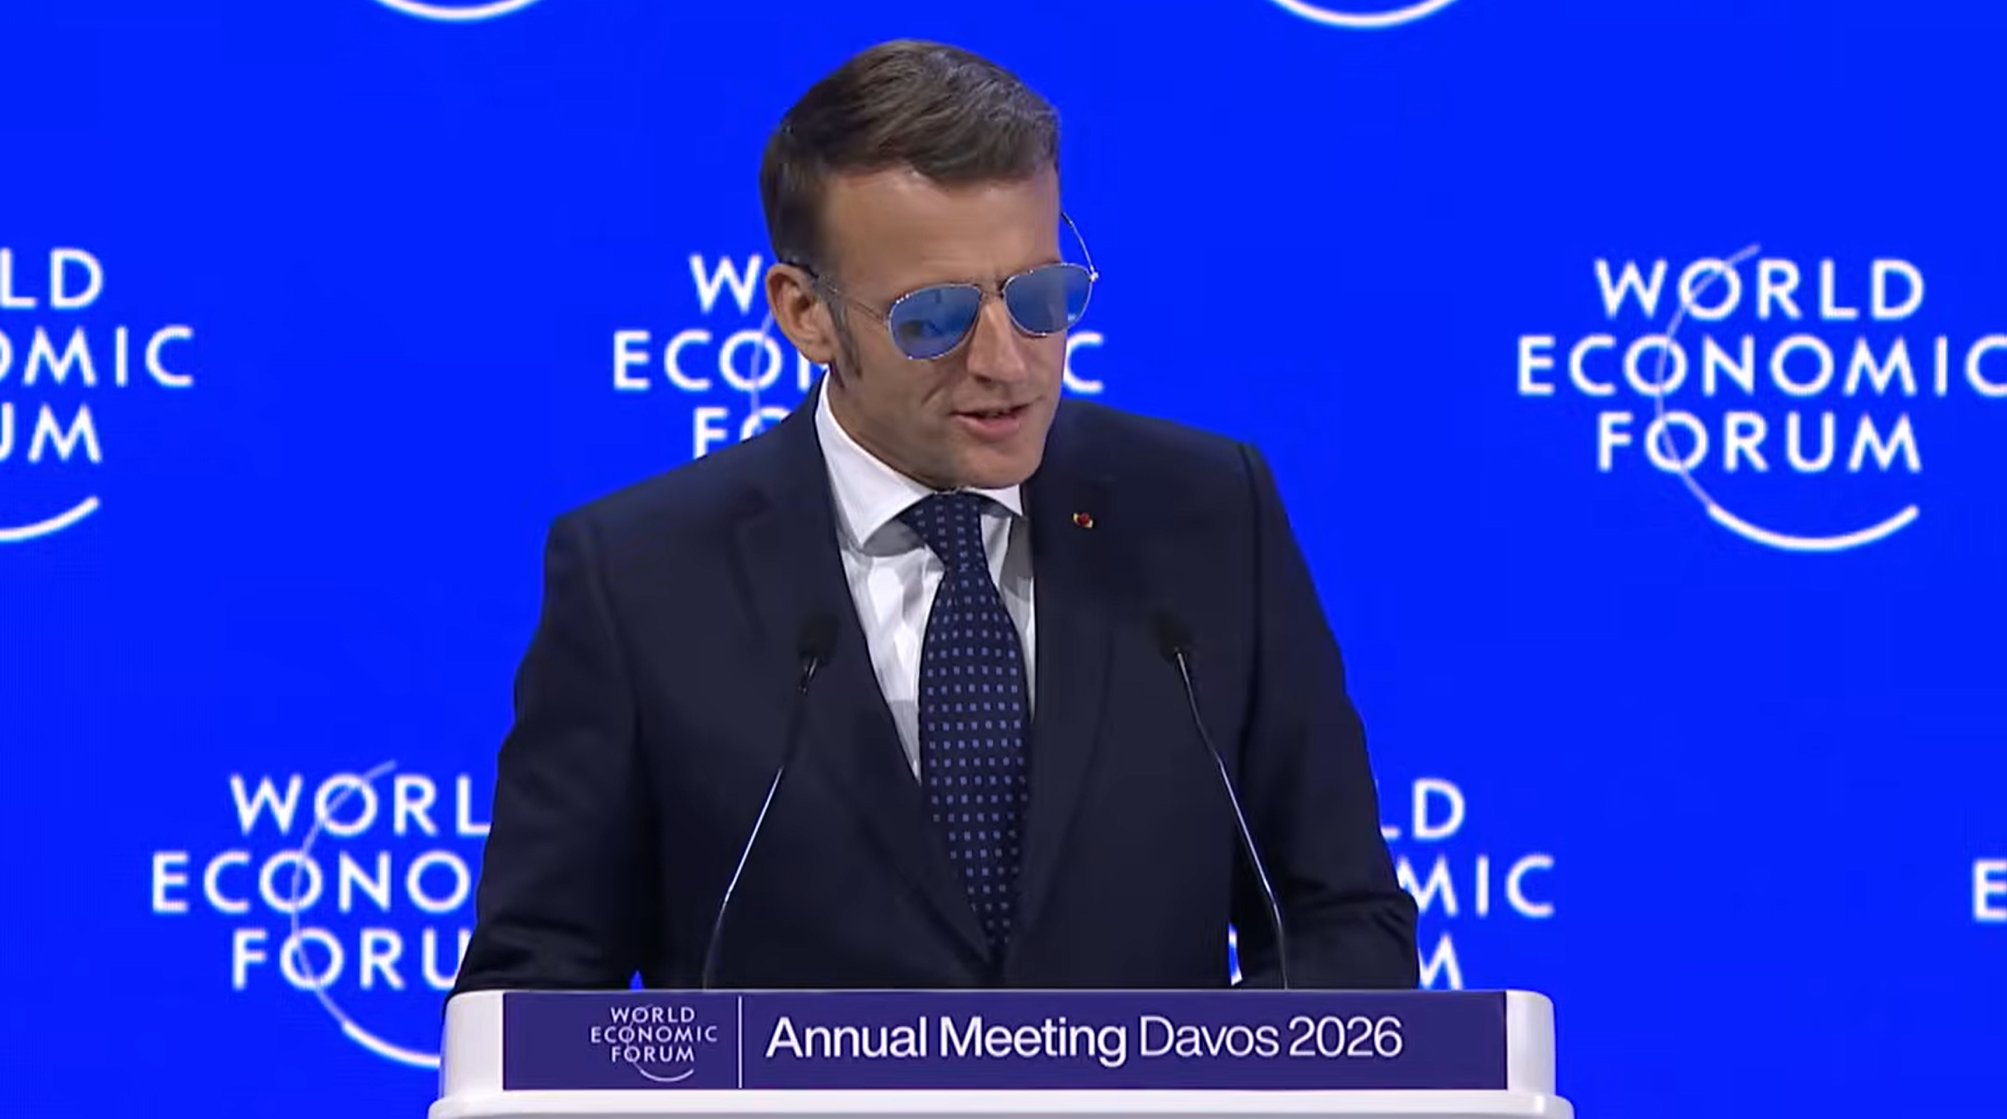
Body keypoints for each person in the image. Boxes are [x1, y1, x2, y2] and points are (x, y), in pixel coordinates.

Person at [452, 39, 1417, 994]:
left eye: (1040, 297)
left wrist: (1196, 1072)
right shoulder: (639, 578)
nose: (1006, 360)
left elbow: (1343, 922)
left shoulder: (1208, 515)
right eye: (935, 318)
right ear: (805, 314)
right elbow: (532, 990)